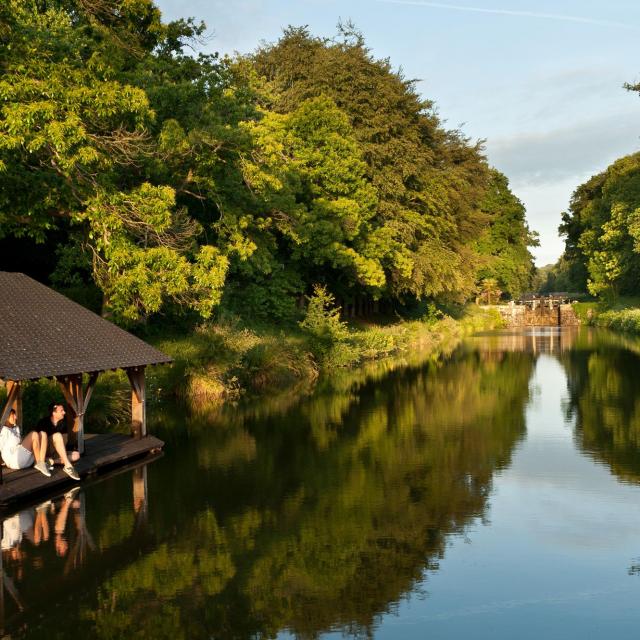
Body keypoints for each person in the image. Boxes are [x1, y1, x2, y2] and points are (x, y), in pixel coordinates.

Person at [36, 403, 80, 481]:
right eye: (61, 411)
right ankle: (67, 465)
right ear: (54, 413)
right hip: (44, 451)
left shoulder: (63, 423)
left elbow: (64, 440)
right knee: (57, 435)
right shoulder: (43, 422)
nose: (64, 412)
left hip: (55, 453)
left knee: (76, 455)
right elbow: (37, 440)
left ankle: (52, 461)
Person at [0, 409, 51, 477]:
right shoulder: (3, 430)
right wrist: (3, 462)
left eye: (15, 415)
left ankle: (41, 463)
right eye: (13, 415)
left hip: (25, 459)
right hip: (14, 460)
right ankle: (40, 463)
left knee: (43, 434)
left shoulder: (16, 428)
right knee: (34, 434)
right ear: (6, 417)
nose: (16, 417)